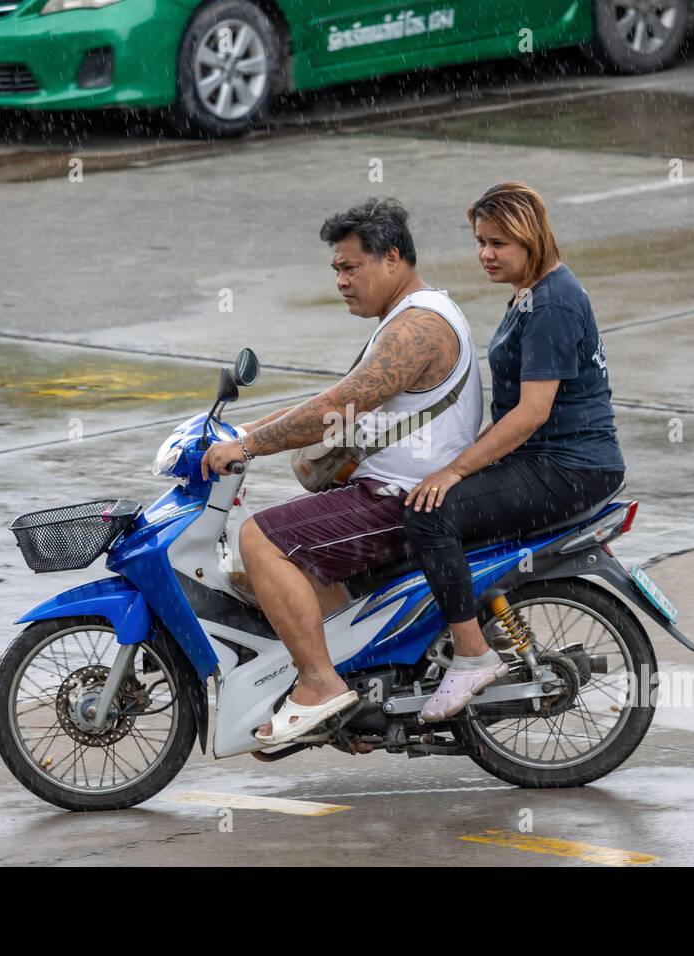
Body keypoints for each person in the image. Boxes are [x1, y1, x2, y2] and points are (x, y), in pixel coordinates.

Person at [201, 197, 483, 745]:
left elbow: (341, 407)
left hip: (400, 499)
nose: (341, 281)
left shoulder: (417, 329)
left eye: (351, 267)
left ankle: (319, 683)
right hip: (389, 489)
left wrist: (251, 444)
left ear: (392, 259)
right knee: (282, 567)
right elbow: (337, 397)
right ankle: (355, 696)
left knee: (260, 539)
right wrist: (236, 433)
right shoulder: (406, 317)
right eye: (336, 269)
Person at [402, 181, 626, 723]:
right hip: (553, 460)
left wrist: (455, 469)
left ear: (531, 239)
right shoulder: (536, 291)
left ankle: (473, 655)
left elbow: (531, 413)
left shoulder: (551, 303)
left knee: (428, 514)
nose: (485, 253)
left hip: (570, 466)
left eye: (499, 242)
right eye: (480, 240)